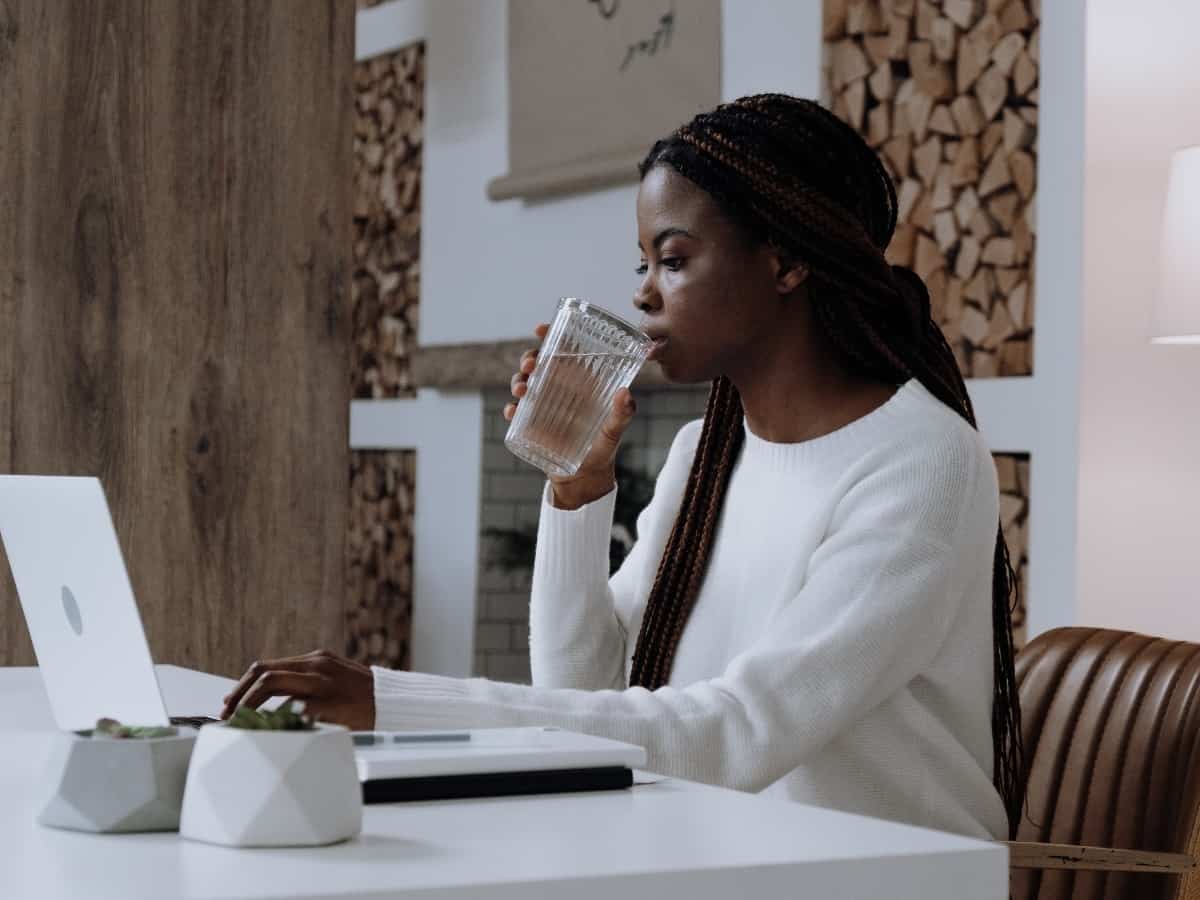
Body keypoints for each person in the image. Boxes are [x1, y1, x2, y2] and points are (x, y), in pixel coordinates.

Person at [220, 94, 1024, 841]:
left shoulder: (922, 464)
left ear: (785, 263)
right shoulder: (705, 454)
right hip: (726, 857)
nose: (643, 294)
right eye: (640, 264)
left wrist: (393, 701)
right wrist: (578, 489)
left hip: (884, 874)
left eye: (671, 260)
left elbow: (735, 735)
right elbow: (589, 687)